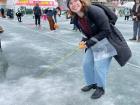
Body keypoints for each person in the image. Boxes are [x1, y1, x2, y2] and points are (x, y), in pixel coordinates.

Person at [67, 0, 131, 99]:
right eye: (70, 3)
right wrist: (83, 41)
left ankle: (100, 88)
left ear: (81, 1)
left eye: (75, 1)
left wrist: (88, 43)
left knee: (99, 66)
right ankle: (92, 83)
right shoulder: (76, 18)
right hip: (93, 41)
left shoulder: (94, 11)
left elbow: (106, 30)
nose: (74, 4)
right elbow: (84, 33)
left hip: (106, 41)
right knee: (86, 63)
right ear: (69, 7)